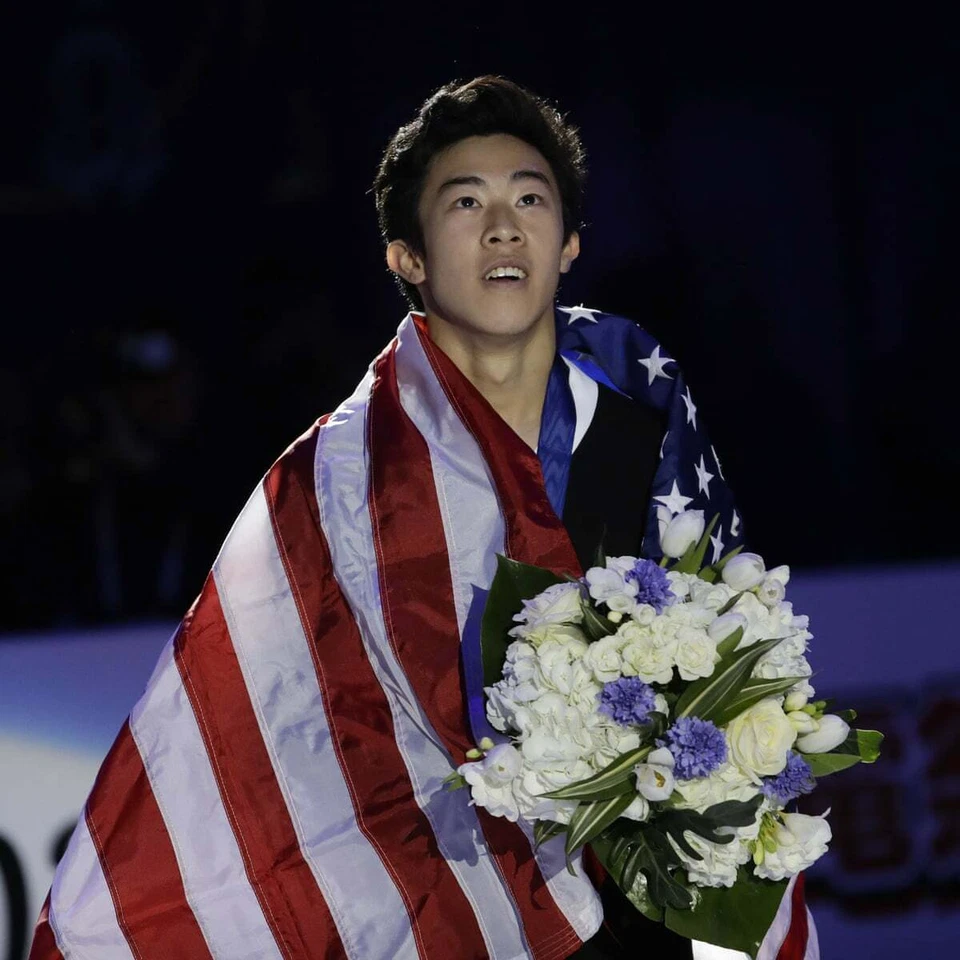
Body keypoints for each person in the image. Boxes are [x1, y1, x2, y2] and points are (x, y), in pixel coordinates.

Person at [30, 76, 814, 959]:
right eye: (465, 202)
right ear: (405, 256)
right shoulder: (333, 476)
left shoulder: (639, 387)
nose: (503, 225)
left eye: (530, 198)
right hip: (455, 896)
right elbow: (254, 711)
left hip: (656, 886)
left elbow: (726, 621)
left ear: (569, 245)